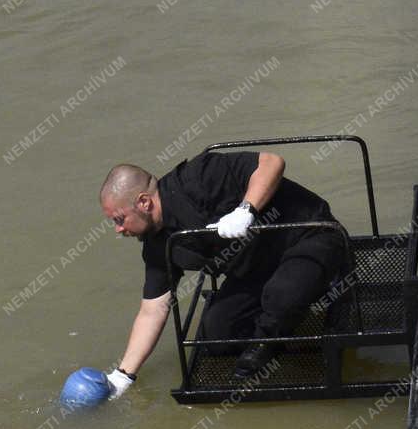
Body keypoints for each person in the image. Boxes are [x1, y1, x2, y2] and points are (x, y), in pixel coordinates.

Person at [98, 151, 351, 388]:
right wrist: (123, 376)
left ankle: (291, 320)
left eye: (119, 219)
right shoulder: (156, 244)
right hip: (258, 268)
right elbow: (153, 309)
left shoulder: (200, 176)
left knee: (281, 295)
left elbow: (272, 162)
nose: (118, 230)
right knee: (218, 334)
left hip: (310, 235)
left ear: (143, 202)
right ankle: (284, 318)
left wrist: (246, 210)